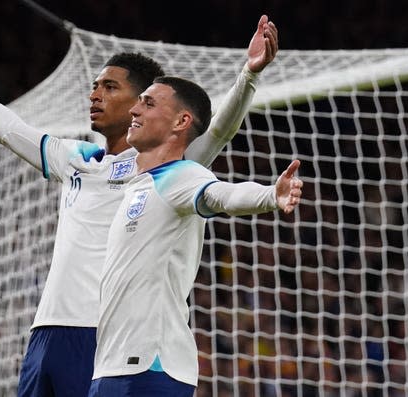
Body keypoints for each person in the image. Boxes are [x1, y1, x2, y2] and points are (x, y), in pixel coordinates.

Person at [0, 14, 279, 397]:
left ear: (142, 103)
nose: (94, 95)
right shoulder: (76, 159)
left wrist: (249, 75)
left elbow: (219, 130)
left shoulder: (169, 166)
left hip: (107, 337)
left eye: (110, 87)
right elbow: (8, 128)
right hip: (46, 332)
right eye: (95, 86)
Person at [86, 75, 302, 396]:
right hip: (114, 364)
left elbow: (221, 195)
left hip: (147, 365)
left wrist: (270, 195)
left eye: (148, 103)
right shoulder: (136, 186)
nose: (134, 110)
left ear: (181, 121)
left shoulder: (181, 176)